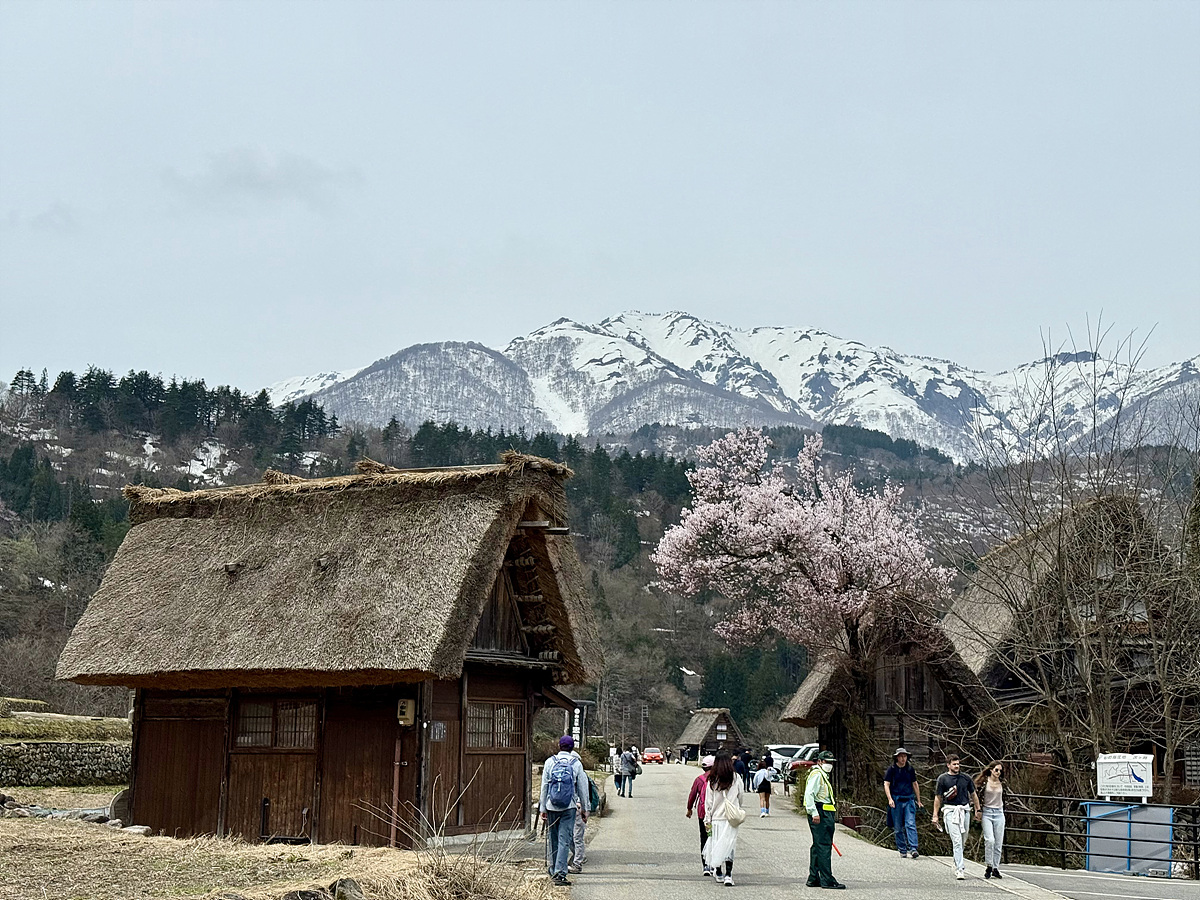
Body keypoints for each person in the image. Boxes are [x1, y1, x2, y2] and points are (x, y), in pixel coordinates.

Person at [539, 735, 589, 886]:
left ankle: (553, 868)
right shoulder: (576, 764)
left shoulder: (550, 762)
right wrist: (585, 809)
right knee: (564, 840)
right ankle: (560, 874)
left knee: (553, 838)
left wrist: (543, 808)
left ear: (559, 746)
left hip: (551, 806)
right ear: (572, 748)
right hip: (569, 807)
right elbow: (583, 789)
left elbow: (544, 786)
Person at [932, 753, 981, 880]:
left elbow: (973, 794)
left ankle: (956, 860)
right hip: (950, 811)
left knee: (963, 840)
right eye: (954, 764)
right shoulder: (943, 779)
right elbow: (938, 797)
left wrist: (978, 809)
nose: (957, 766)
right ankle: (960, 869)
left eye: (958, 764)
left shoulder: (966, 778)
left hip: (964, 810)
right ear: (948, 765)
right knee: (957, 840)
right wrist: (935, 815)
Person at [803, 750, 845, 889]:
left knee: (818, 846)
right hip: (821, 812)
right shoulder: (817, 775)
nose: (830, 765)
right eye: (827, 762)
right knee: (824, 846)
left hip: (823, 811)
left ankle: (814, 877)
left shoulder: (821, 774)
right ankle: (827, 879)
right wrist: (814, 812)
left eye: (831, 762)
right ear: (820, 761)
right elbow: (809, 794)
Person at [703, 749, 743, 886]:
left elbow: (708, 802)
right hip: (730, 818)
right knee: (730, 845)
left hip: (716, 818)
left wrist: (707, 819)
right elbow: (740, 796)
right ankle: (729, 875)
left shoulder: (712, 780)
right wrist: (736, 808)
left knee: (716, 844)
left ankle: (718, 872)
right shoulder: (736, 778)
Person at [883, 747, 924, 859]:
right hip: (896, 800)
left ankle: (913, 848)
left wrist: (919, 800)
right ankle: (902, 849)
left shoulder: (910, 769)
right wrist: (890, 799)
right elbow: (886, 784)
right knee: (898, 827)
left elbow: (915, 784)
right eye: (901, 756)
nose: (903, 758)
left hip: (909, 799)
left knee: (910, 824)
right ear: (897, 758)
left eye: (904, 756)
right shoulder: (892, 769)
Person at [567, 746, 597, 875]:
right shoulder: (580, 771)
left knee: (568, 836)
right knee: (577, 837)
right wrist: (586, 809)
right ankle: (578, 860)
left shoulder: (556, 764)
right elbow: (584, 792)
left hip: (564, 807)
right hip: (578, 807)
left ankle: (577, 859)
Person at [975, 760, 1007, 879]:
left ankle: (995, 867)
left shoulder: (1003, 783)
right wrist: (977, 810)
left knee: (998, 842)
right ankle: (989, 864)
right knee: (990, 840)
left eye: (1000, 771)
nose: (998, 772)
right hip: (987, 812)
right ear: (991, 770)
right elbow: (976, 796)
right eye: (996, 770)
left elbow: (1005, 797)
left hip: (999, 812)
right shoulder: (984, 782)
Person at [686, 754, 716, 876]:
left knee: (705, 837)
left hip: (703, 814)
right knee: (715, 838)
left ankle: (706, 865)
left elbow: (692, 795)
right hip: (716, 814)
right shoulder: (719, 778)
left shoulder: (699, 779)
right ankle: (715, 864)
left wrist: (689, 809)